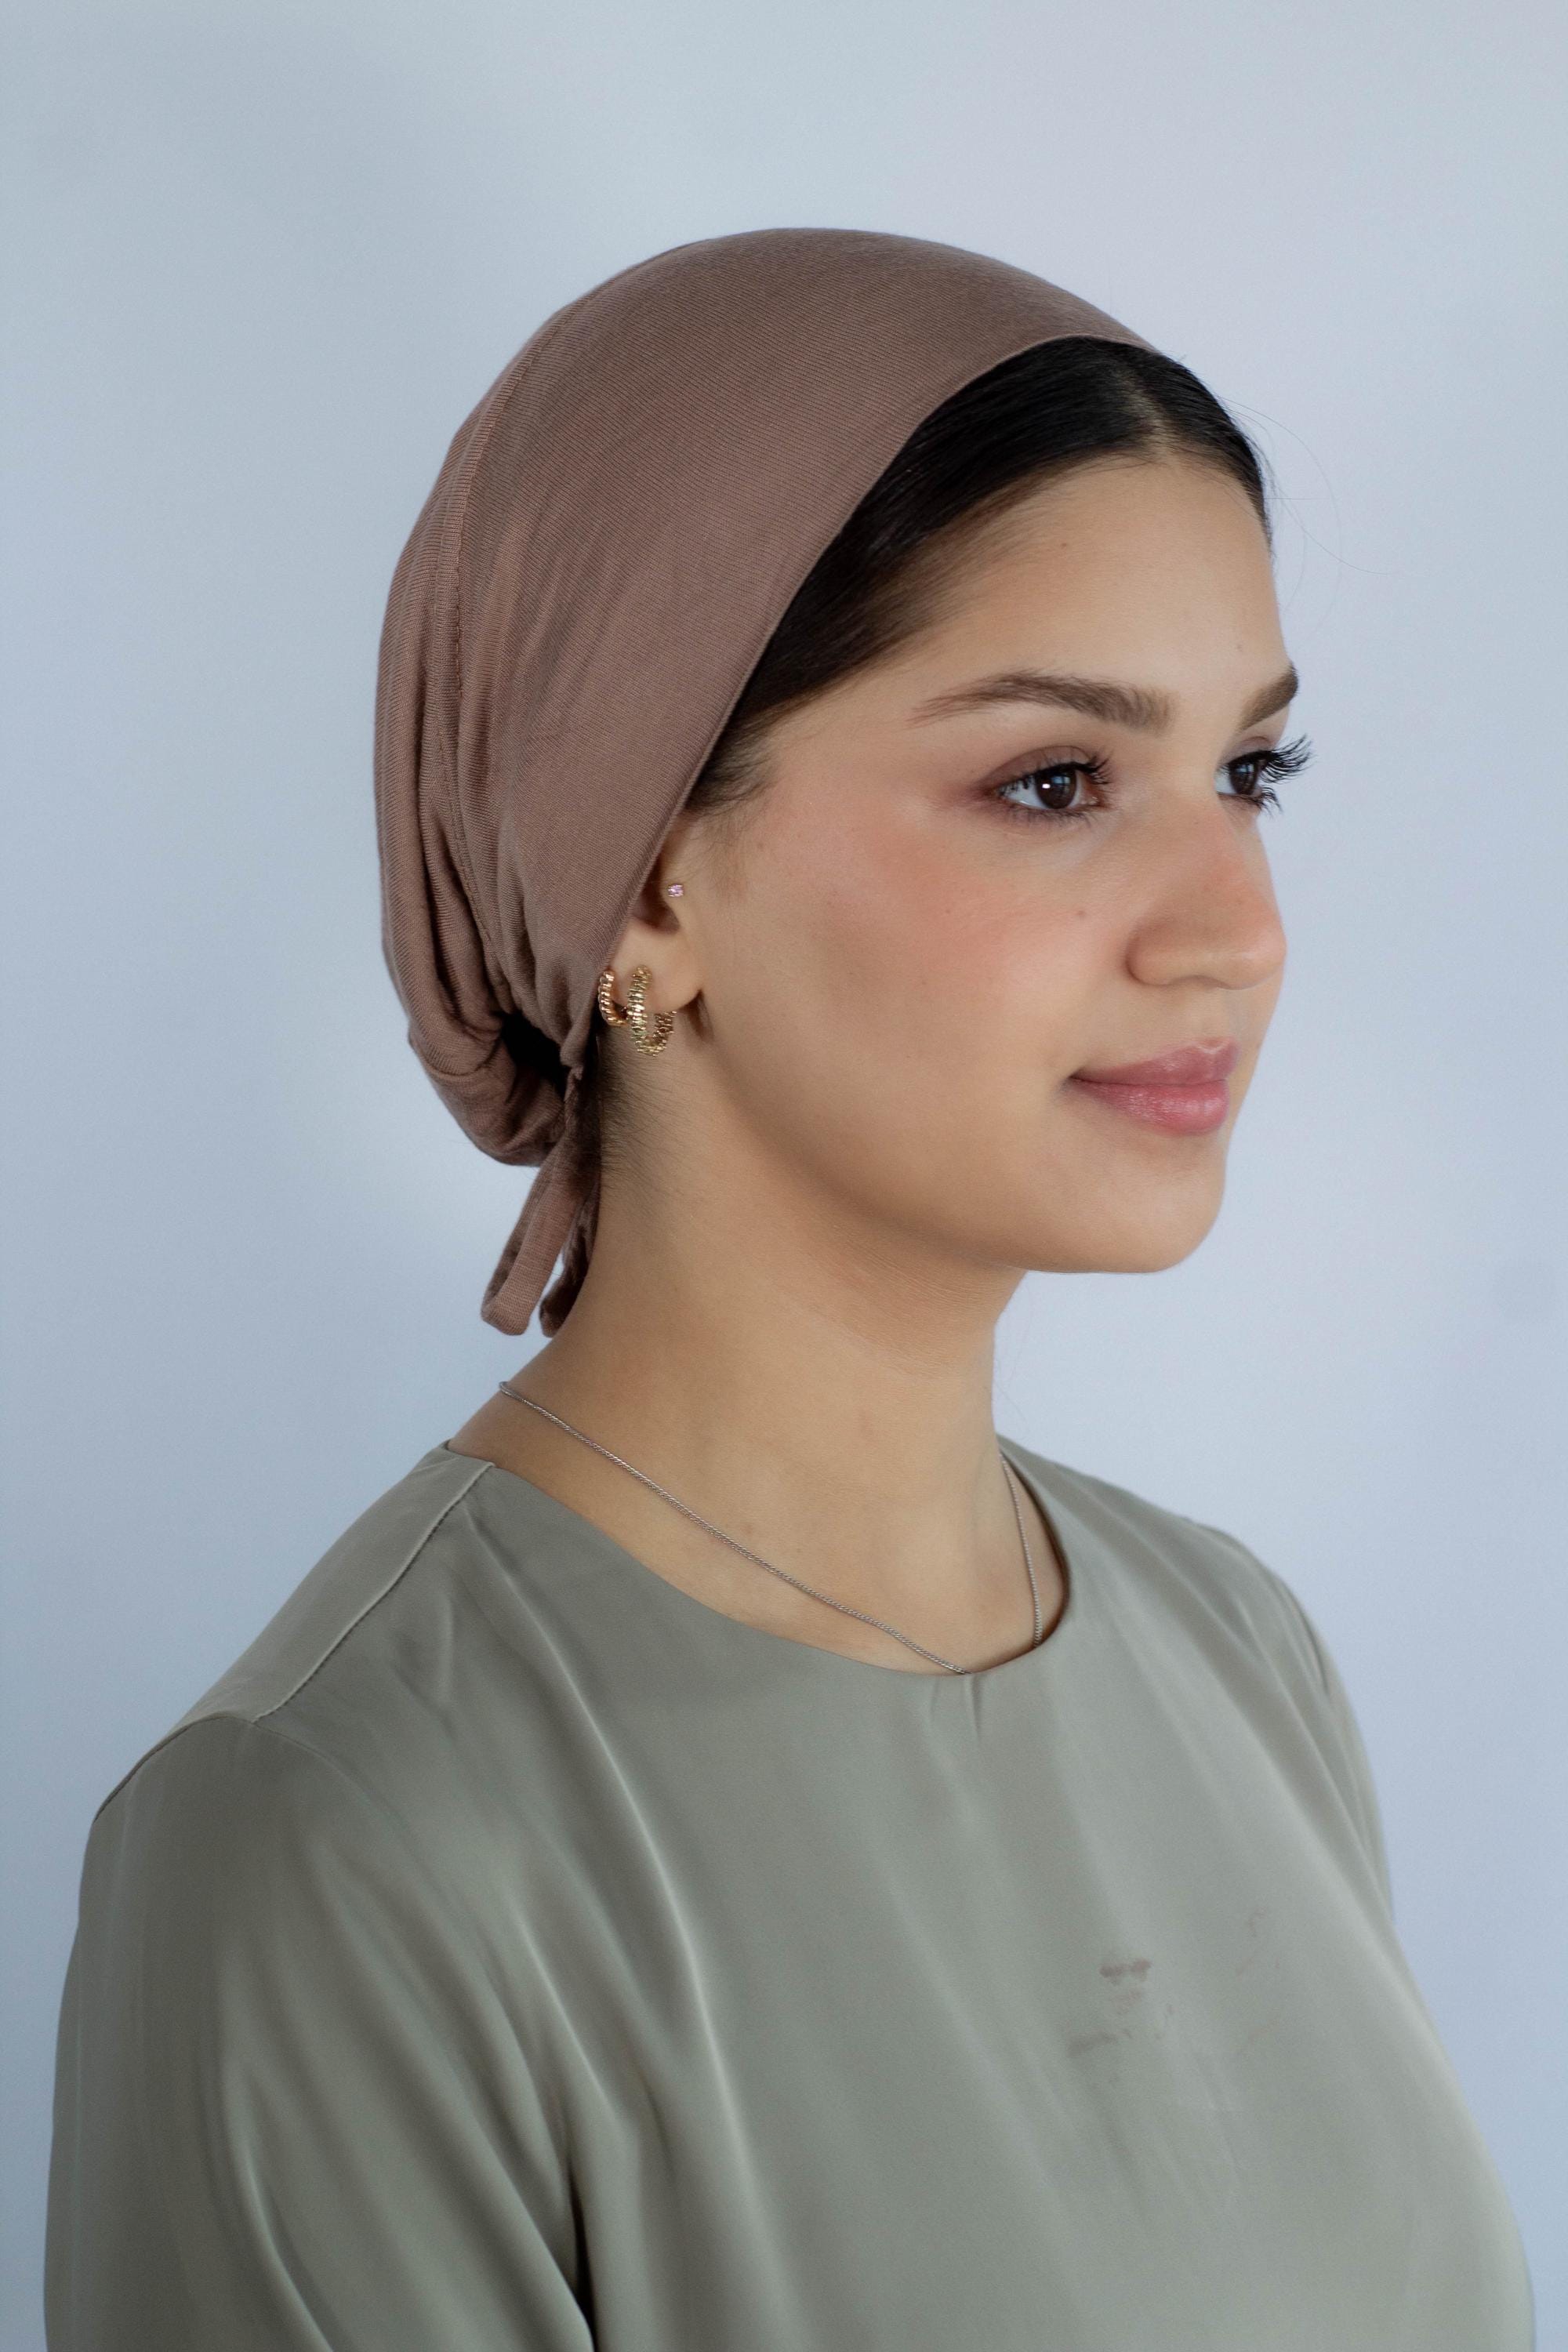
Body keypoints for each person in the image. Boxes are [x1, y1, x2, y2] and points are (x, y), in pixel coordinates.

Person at [45, 227, 1535, 2349]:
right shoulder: (334, 1844)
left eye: (1248, 773)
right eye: (1056, 782)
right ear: (646, 870)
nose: (1237, 926)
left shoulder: (1236, 1655)